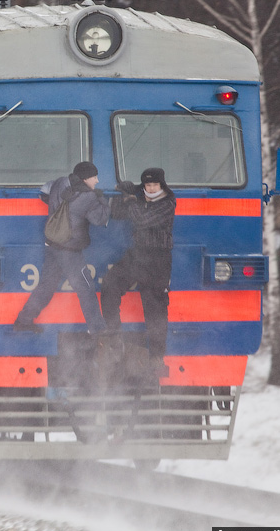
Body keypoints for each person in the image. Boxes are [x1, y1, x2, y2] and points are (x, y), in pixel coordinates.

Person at [13, 161, 109, 334]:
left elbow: (44, 192)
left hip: (52, 246)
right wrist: (102, 198)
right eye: (94, 177)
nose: (97, 181)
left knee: (46, 286)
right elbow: (99, 219)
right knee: (86, 289)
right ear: (86, 178)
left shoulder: (60, 183)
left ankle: (23, 321)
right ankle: (98, 331)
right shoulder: (89, 197)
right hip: (69, 251)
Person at [100, 167, 176, 377]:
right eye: (147, 185)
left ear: (162, 185)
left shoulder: (168, 202)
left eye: (155, 185)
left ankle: (156, 357)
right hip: (137, 255)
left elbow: (142, 219)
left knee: (155, 308)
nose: (151, 188)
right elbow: (117, 213)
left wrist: (130, 198)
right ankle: (114, 337)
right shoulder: (140, 197)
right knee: (109, 285)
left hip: (158, 259)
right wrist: (123, 193)